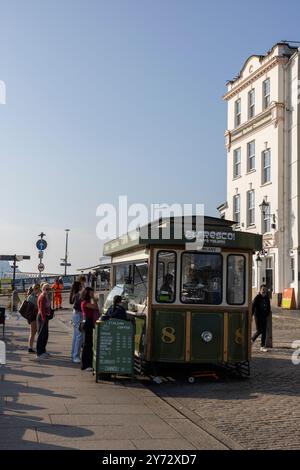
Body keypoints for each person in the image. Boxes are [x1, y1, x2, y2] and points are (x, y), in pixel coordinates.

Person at [81, 287, 100, 371]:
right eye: (91, 293)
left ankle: (88, 363)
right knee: (87, 344)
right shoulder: (85, 303)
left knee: (89, 343)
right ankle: (85, 365)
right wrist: (94, 299)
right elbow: (96, 307)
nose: (92, 294)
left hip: (88, 322)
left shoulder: (86, 302)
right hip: (87, 322)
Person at [252, 284, 271, 352]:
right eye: (263, 290)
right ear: (260, 290)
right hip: (257, 317)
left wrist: (267, 314)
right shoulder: (257, 298)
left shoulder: (267, 298)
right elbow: (252, 307)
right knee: (259, 330)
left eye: (265, 290)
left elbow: (269, 307)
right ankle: (252, 340)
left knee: (264, 332)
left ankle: (262, 346)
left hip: (264, 317)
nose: (264, 291)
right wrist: (251, 316)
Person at [36, 283, 52, 359]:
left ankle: (43, 351)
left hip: (45, 316)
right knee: (41, 335)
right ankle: (39, 353)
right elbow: (42, 309)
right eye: (46, 289)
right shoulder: (42, 297)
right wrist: (44, 318)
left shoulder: (45, 296)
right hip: (42, 317)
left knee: (45, 335)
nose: (48, 290)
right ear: (42, 289)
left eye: (49, 289)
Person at [69, 280, 83, 363]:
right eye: (81, 285)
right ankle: (76, 356)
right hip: (78, 315)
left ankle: (73, 354)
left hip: (75, 314)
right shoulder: (78, 295)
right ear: (79, 286)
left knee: (75, 336)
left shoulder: (75, 294)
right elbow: (79, 306)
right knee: (79, 336)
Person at [27, 283, 41, 353]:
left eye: (38, 288)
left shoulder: (33, 296)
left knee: (34, 332)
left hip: (35, 316)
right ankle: (31, 347)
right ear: (33, 289)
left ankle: (31, 347)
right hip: (33, 316)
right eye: (35, 288)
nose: (37, 289)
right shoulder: (31, 297)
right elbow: (37, 305)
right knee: (33, 332)